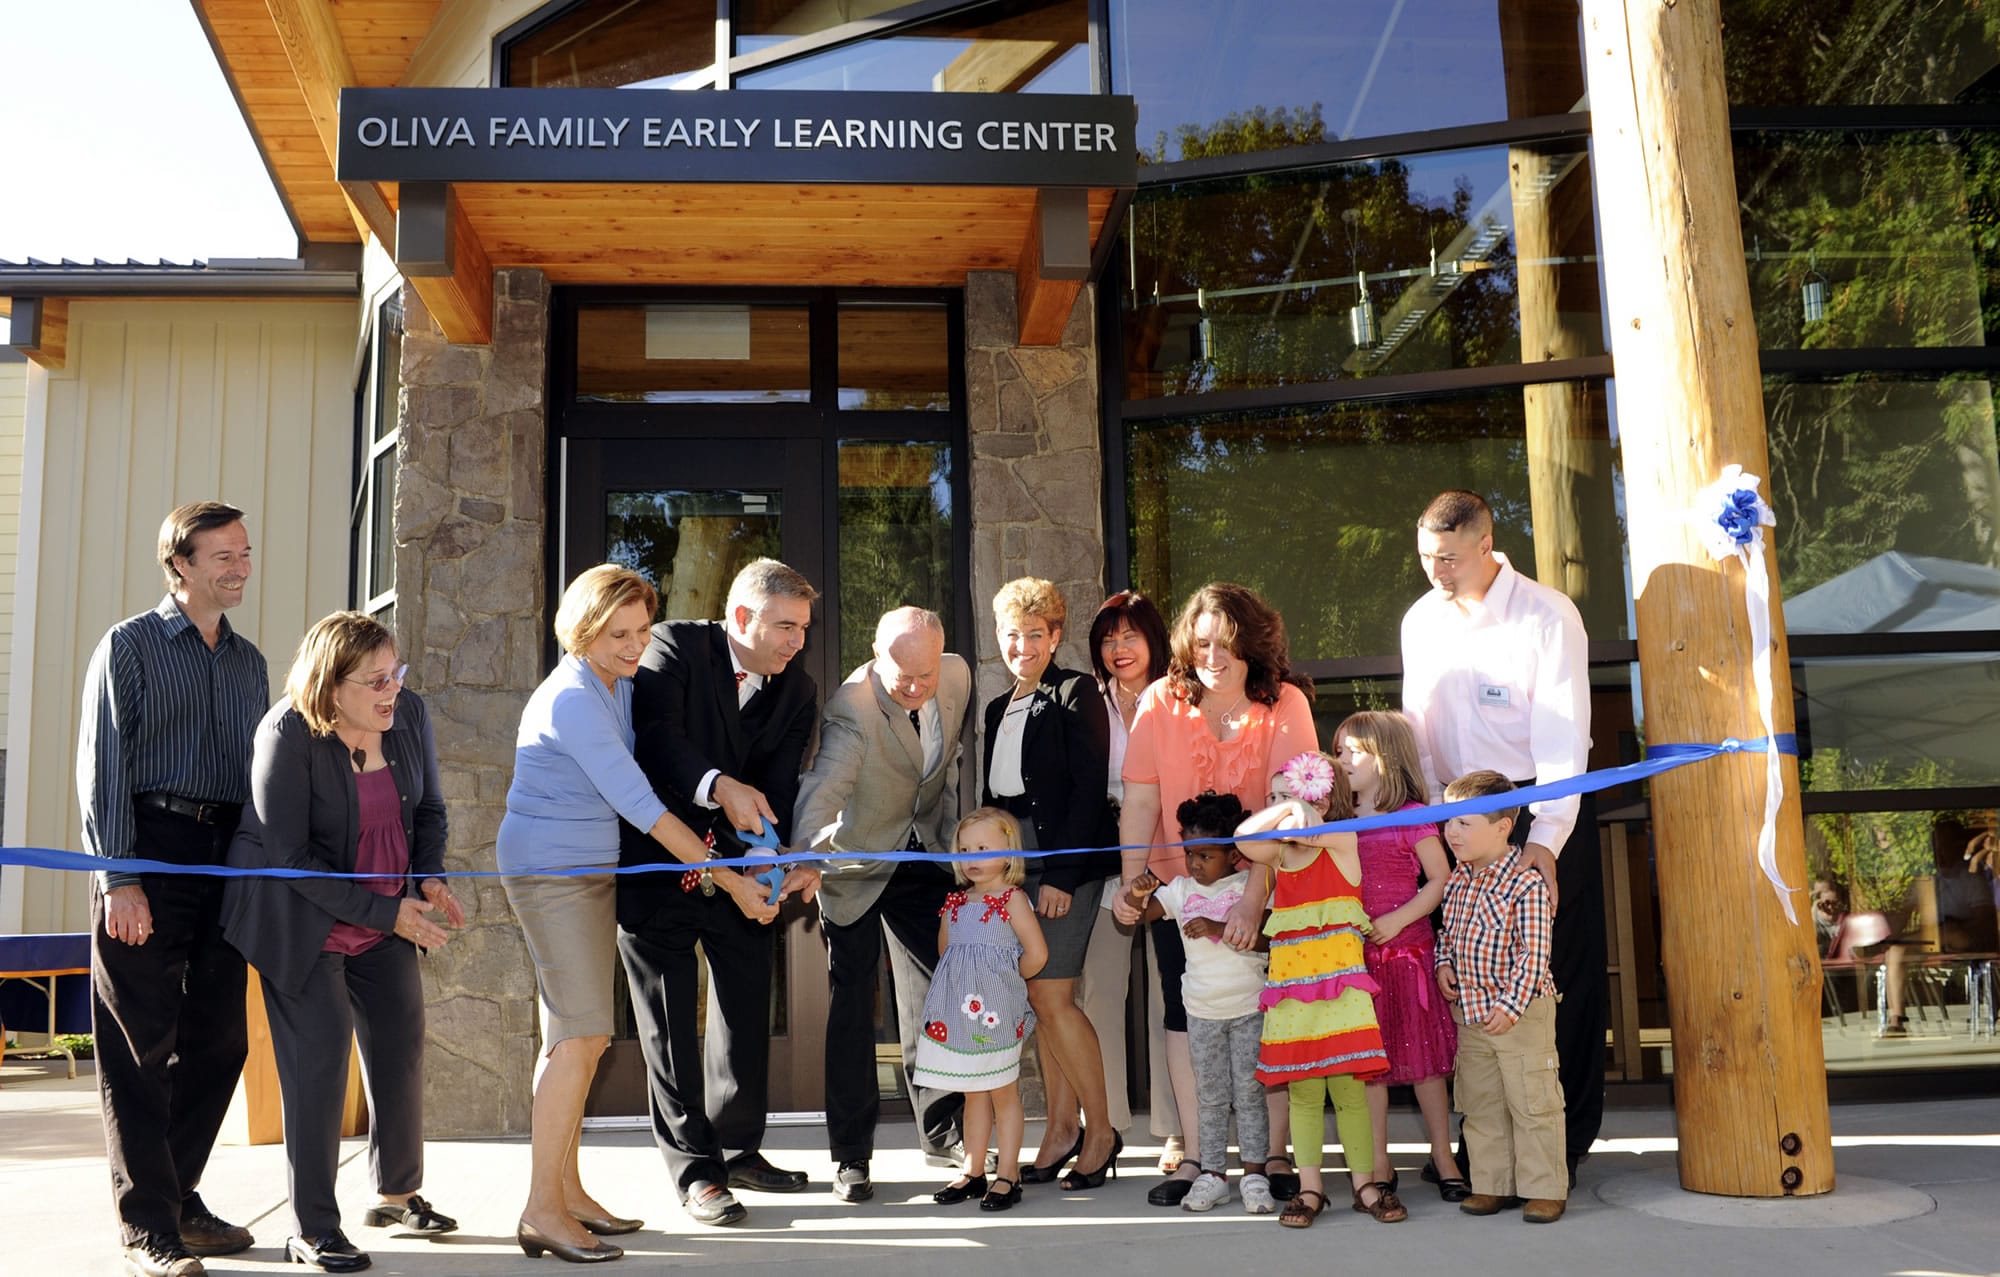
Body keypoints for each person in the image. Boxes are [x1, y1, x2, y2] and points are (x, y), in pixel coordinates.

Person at [500, 564, 769, 1264]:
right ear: (582, 629)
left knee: (570, 1039)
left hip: (588, 873)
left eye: (642, 631)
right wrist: (735, 883)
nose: (632, 645)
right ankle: (542, 1210)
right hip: (553, 873)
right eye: (617, 632)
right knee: (583, 1037)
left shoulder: (611, 685)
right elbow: (646, 809)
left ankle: (568, 1190)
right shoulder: (575, 701)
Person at [221, 612, 464, 1272]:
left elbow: (430, 810)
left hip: (386, 911)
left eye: (397, 673)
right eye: (377, 680)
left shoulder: (408, 716)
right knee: (319, 1067)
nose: (394, 690)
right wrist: (390, 912)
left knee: (400, 1045)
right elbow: (290, 857)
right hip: (301, 920)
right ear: (332, 687)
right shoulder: (287, 734)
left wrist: (431, 876)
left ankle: (395, 1193)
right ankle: (312, 1227)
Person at [78, 501, 268, 1277]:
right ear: (179, 563)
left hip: (227, 857)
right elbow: (102, 769)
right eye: (222, 554)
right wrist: (119, 876)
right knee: (138, 1046)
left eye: (245, 552)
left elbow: (260, 779)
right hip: (150, 846)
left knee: (222, 1040)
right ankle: (146, 1226)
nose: (239, 566)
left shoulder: (251, 661)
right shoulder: (128, 646)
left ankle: (179, 1196)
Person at [1400, 489, 1602, 1185]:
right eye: (1427, 557)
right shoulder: (1421, 620)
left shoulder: (1547, 615)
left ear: (1486, 544)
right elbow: (1420, 734)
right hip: (1457, 819)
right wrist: (1433, 824)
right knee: (1469, 976)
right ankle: (1487, 1148)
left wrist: (1546, 839)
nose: (1436, 572)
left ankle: (1561, 1144)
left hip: (1537, 811)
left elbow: (1563, 734)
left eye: (1449, 558)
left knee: (1548, 981)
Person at [618, 558, 821, 1219]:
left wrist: (769, 869)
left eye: (803, 628)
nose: (796, 641)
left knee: (743, 1008)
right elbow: (658, 743)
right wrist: (718, 784)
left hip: (739, 873)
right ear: (741, 617)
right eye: (785, 626)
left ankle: (739, 1148)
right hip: (658, 866)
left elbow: (781, 786)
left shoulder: (799, 690)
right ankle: (695, 1171)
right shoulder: (672, 646)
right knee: (673, 1026)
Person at [1110, 582, 1317, 1206]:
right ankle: (1200, 1157)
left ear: (1252, 643)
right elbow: (1141, 798)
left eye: (1226, 645)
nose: (1213, 657)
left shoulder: (1285, 703)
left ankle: (1273, 1152)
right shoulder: (1159, 700)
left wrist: (1254, 896)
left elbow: (1291, 809)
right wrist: (1132, 884)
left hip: (1274, 888)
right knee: (1185, 1017)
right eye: (1201, 644)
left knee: (1269, 1017)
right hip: (1183, 891)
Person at [795, 606, 972, 1203]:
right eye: (903, 677)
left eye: (926, 675)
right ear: (875, 653)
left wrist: (954, 854)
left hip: (922, 857)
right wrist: (802, 856)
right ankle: (851, 1156)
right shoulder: (852, 708)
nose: (917, 688)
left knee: (942, 986)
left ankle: (941, 1129)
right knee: (853, 1007)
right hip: (856, 865)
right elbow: (825, 789)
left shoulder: (957, 677)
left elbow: (945, 772)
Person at [981, 578, 1119, 1191]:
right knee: (1040, 1002)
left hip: (1065, 861)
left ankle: (1101, 1131)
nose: (1023, 645)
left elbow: (1089, 789)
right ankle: (1061, 1128)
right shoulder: (995, 707)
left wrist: (1061, 873)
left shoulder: (1075, 691)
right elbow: (993, 800)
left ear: (1055, 636)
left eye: (1035, 634)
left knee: (1054, 998)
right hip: (1016, 865)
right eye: (1012, 634)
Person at [1237, 752, 1403, 1229]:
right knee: (1305, 1096)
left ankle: (1365, 1184)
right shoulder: (1278, 855)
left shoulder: (1341, 840)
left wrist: (1299, 810)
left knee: (1350, 1094)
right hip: (1294, 998)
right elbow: (1246, 838)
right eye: (1269, 798)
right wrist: (1284, 806)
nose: (1275, 806)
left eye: (1285, 795)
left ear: (1320, 797)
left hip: (1340, 997)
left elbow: (1307, 829)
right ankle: (1310, 1188)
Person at [1038, 590, 1167, 1181]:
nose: (1119, 649)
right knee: (1099, 992)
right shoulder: (1089, 699)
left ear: (1153, 641)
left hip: (1169, 851)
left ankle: (1178, 1127)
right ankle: (1106, 1122)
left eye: (1130, 636)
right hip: (1106, 853)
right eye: (1108, 639)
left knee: (1172, 991)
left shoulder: (1178, 695)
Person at [1124, 792, 1275, 1215]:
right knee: (1209, 1097)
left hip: (1249, 1010)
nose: (1194, 864)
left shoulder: (1252, 888)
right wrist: (1137, 893)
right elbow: (1145, 913)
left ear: (1234, 855)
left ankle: (1255, 1174)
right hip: (1202, 1013)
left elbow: (1270, 940)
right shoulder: (1181, 890)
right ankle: (1213, 1174)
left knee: (1249, 1093)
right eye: (1189, 854)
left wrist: (1218, 926)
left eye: (1205, 855)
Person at [1334, 711, 1464, 1201]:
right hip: (1357, 956)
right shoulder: (1338, 821)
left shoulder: (1412, 814)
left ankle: (1443, 1155)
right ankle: (1378, 1161)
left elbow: (1439, 878)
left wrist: (1400, 919)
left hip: (1408, 952)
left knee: (1425, 1062)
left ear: (1384, 758)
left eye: (1354, 751)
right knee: (1371, 1064)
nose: (1343, 759)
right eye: (1340, 750)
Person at [1434, 771, 1567, 1224]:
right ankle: (1492, 1184)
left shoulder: (1525, 883)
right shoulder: (1456, 882)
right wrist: (1443, 965)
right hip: (1471, 1014)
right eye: (1448, 822)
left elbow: (1534, 955)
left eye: (1463, 823)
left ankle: (1545, 1188)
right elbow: (1446, 937)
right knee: (1480, 1103)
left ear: (1502, 828)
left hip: (1521, 1013)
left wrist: (1509, 1008)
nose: (1451, 832)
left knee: (1533, 1103)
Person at [912, 808, 1049, 1212]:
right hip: (959, 1013)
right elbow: (946, 951)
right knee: (972, 1093)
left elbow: (1037, 955)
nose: (971, 857)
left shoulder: (1013, 899)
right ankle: (974, 1171)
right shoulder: (955, 901)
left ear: (1008, 853)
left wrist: (1002, 981)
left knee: (1003, 1092)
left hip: (996, 1012)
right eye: (964, 849)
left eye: (983, 848)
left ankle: (1009, 1173)